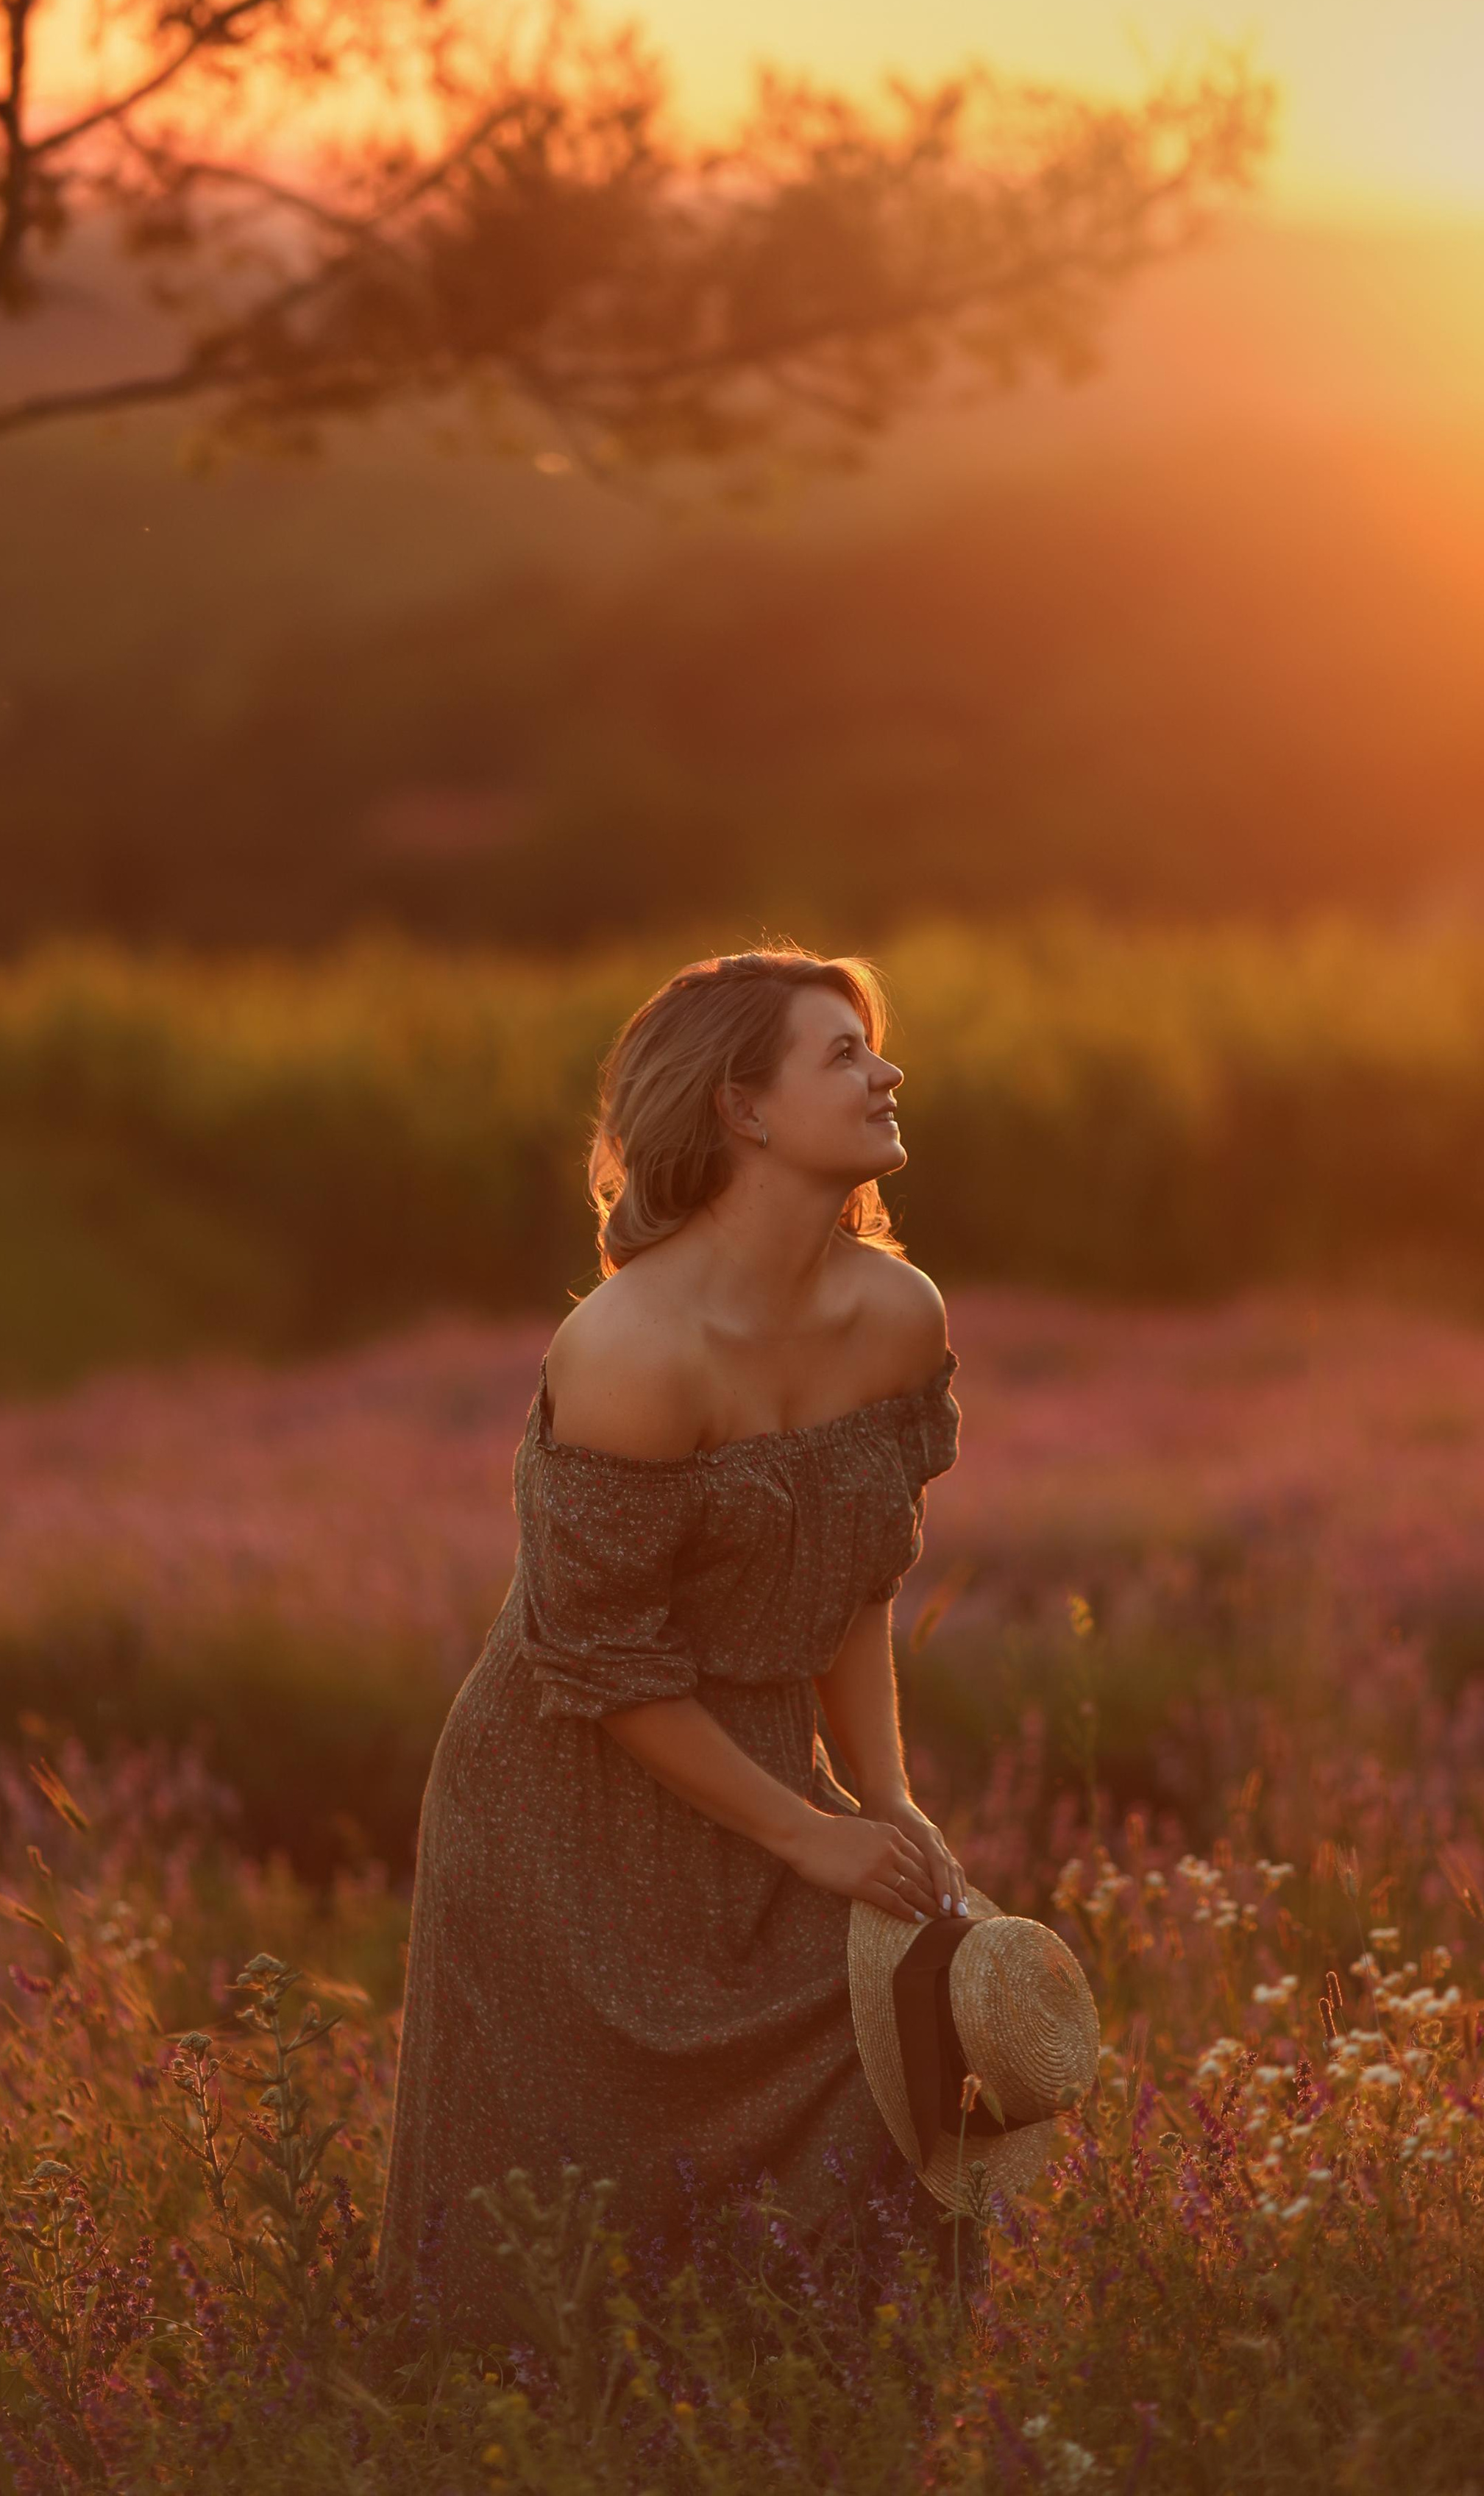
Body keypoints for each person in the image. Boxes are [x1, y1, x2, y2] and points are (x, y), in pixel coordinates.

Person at [376, 946, 969, 2346]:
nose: (887, 1073)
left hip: (759, 1764)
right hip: (565, 1799)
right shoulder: (634, 1348)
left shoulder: (899, 1315)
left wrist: (882, 1804)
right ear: (742, 1111)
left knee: (897, 2026)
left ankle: (815, 2424)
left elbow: (858, 1583)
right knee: (568, 2207)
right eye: (843, 1053)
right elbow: (603, 1667)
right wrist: (807, 1835)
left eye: (873, 1047)